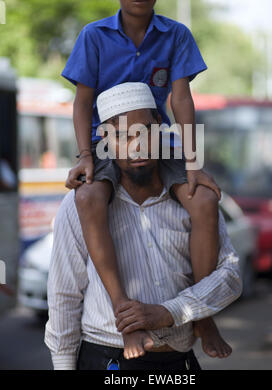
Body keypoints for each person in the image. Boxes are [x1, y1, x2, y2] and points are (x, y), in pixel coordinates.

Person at [62, 0, 224, 358]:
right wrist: (84, 156)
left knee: (203, 201)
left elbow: (182, 99)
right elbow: (82, 101)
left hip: (159, 144)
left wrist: (193, 163)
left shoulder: (176, 35)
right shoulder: (93, 36)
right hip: (107, 145)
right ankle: (123, 313)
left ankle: (201, 315)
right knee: (90, 197)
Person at [44, 83, 242, 371]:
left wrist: (168, 313)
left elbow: (231, 276)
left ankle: (204, 323)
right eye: (123, 136)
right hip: (106, 358)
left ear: (160, 126)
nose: (138, 146)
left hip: (179, 361)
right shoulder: (80, 205)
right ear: (107, 139)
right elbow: (64, 295)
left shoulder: (191, 199)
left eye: (146, 132)